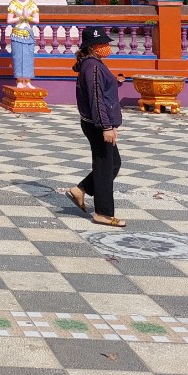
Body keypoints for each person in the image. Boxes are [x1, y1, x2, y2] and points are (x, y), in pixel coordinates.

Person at [65, 26, 125, 227]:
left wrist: (115, 82)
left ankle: (80, 190)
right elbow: (97, 99)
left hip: (96, 122)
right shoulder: (93, 66)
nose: (106, 47)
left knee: (112, 163)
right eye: (101, 44)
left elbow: (101, 90)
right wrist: (106, 127)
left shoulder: (93, 64)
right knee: (105, 166)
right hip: (98, 124)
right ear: (91, 48)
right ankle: (103, 213)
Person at [6, 0, 40, 87]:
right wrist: (21, 17)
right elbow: (9, 20)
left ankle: (28, 80)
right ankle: (20, 80)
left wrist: (28, 17)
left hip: (28, 33)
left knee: (28, 57)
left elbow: (37, 20)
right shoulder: (13, 4)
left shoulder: (32, 4)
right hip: (17, 33)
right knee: (18, 56)